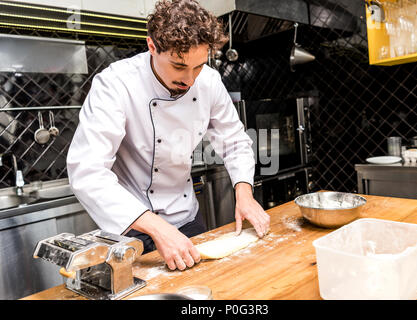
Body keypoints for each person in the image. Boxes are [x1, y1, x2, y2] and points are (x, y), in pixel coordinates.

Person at [67, 0, 270, 271]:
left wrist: (244, 193)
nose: (190, 79)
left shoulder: (208, 81)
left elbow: (234, 141)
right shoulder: (115, 84)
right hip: (132, 227)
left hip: (187, 217)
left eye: (198, 66)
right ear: (152, 46)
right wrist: (158, 229)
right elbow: (87, 171)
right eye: (178, 66)